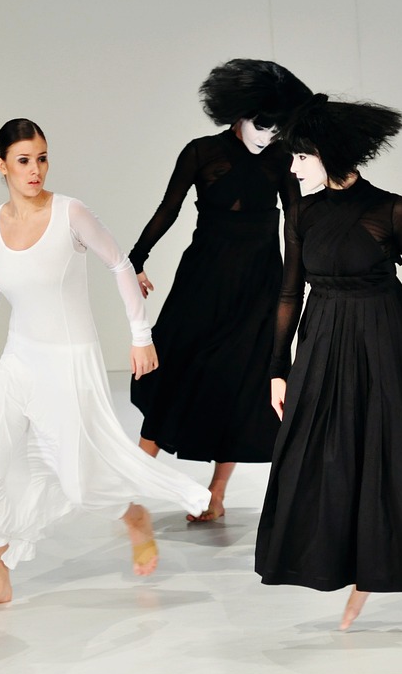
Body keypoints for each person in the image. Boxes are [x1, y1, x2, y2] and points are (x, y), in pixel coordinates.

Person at [0, 119, 210, 612]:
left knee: (77, 479)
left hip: (70, 360)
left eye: (42, 158)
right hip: (19, 361)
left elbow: (119, 263)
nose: (36, 170)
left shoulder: (70, 212)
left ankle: (133, 516)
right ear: (1, 165)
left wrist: (140, 336)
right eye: (24, 161)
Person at [255, 95, 402, 631]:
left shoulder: (392, 209)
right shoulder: (302, 212)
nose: (293, 168)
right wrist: (277, 368)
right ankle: (361, 574)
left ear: (329, 154)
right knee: (332, 459)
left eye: (302, 157)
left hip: (389, 342)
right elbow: (289, 292)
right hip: (324, 344)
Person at [129, 59, 310, 521]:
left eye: (277, 127)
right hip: (203, 282)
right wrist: (135, 259)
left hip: (259, 287)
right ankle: (134, 487)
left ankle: (217, 493)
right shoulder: (201, 152)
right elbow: (168, 209)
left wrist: (300, 280)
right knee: (173, 369)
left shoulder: (281, 159)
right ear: (239, 114)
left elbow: (296, 225)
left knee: (243, 383)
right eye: (262, 124)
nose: (268, 135)